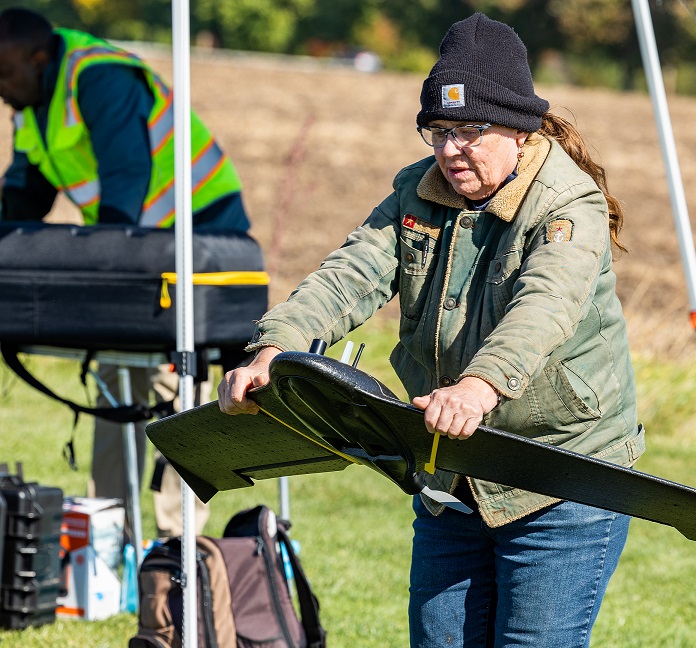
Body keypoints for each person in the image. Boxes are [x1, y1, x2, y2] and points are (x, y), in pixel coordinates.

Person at [219, 12, 643, 647]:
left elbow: (545, 308)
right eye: (437, 131)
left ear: (521, 129)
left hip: (563, 479)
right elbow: (347, 277)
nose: (450, 150)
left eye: (472, 130)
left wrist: (478, 387)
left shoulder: (566, 204)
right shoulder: (416, 194)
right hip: (453, 477)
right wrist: (271, 352)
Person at [0, 7, 251, 537]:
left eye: (4, 74)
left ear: (37, 58)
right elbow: (26, 194)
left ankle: (174, 545)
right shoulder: (33, 100)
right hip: (135, 245)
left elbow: (126, 179)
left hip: (200, 236)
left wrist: (105, 269)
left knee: (174, 392)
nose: (0, 89)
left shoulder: (99, 76)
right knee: (116, 381)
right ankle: (108, 538)